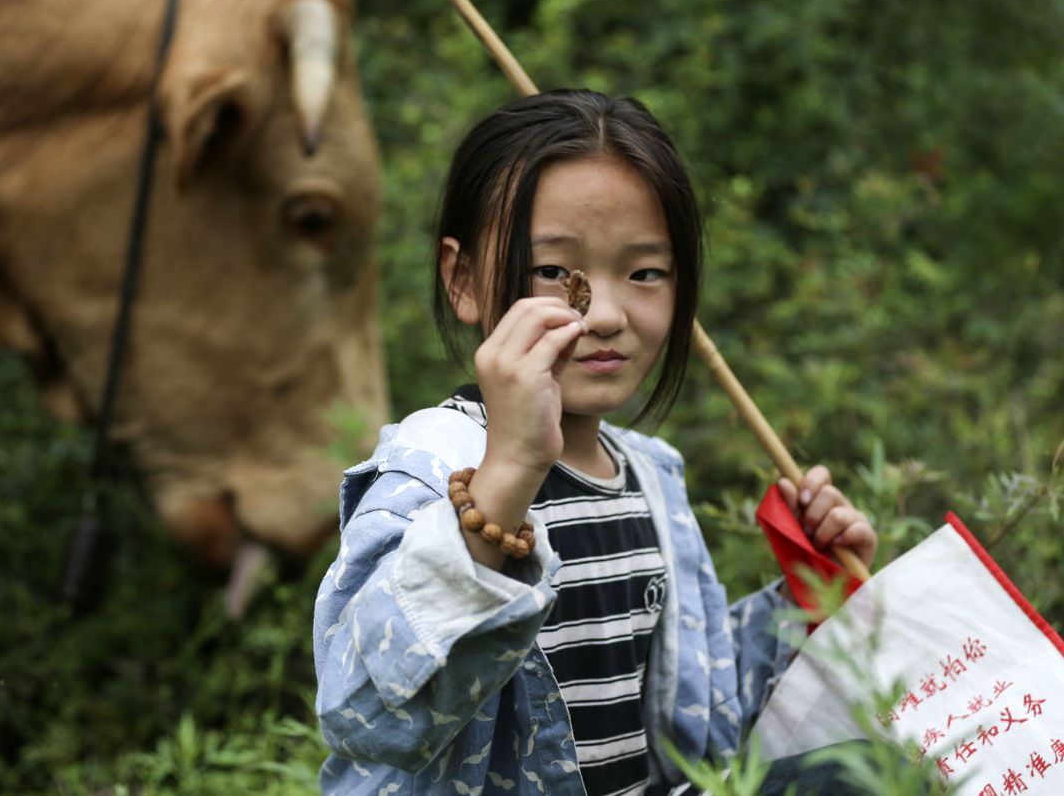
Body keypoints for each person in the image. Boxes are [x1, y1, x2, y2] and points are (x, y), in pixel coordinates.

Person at [312, 89, 878, 795]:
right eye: (555, 272)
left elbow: (700, 699)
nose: (604, 314)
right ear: (463, 280)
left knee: (864, 776)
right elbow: (366, 714)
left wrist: (810, 595)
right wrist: (510, 470)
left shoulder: (651, 474)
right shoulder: (432, 465)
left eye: (645, 273)